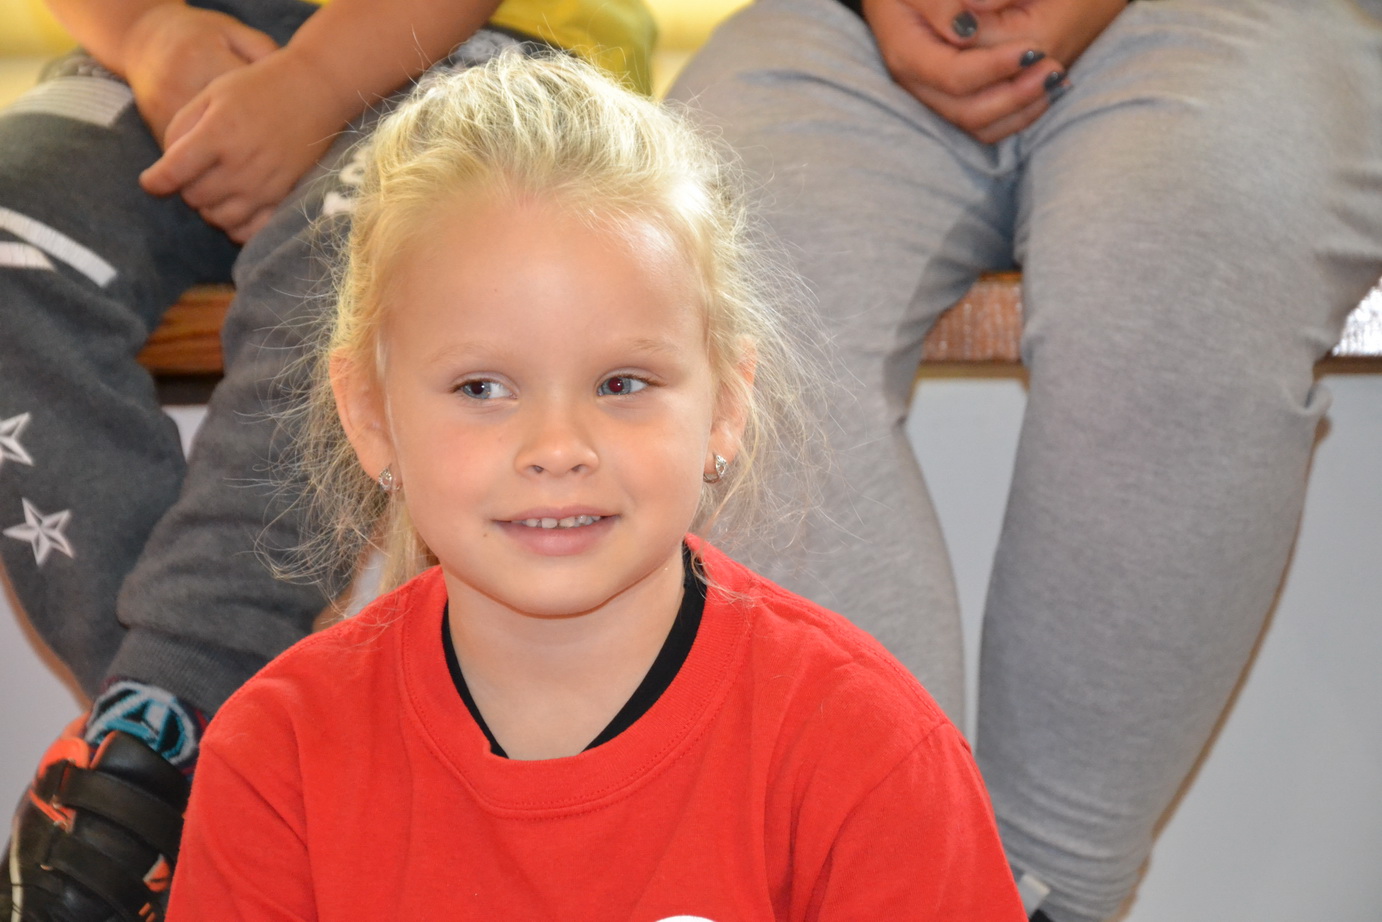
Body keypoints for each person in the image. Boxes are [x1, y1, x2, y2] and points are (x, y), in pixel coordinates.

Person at [164, 52, 1025, 919]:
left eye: (622, 384)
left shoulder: (867, 755)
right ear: (371, 416)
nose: (557, 448)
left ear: (726, 405)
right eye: (481, 388)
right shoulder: (277, 760)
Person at [666, 1, 1382, 920]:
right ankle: (886, 871)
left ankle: (1037, 895)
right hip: (840, 23)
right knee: (716, 296)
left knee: (1188, 247)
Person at [0, 1, 653, 919]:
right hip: (180, 62)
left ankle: (167, 726)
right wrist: (145, 29)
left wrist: (312, 80)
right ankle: (189, 742)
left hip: (480, 54)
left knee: (385, 250)